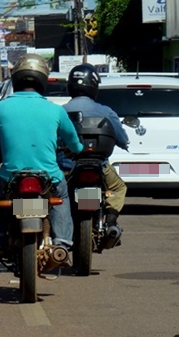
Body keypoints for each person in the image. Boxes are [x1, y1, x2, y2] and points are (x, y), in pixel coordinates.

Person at [0, 54, 84, 267]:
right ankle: (62, 244)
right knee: (63, 197)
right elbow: (75, 145)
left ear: (16, 80)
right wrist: (78, 150)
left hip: (8, 177)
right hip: (50, 178)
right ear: (42, 81)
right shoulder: (56, 110)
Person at [59, 63, 129, 246]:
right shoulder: (106, 111)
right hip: (100, 167)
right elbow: (122, 139)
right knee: (118, 188)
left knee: (54, 198)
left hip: (66, 168)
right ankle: (111, 222)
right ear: (94, 87)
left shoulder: (60, 111)